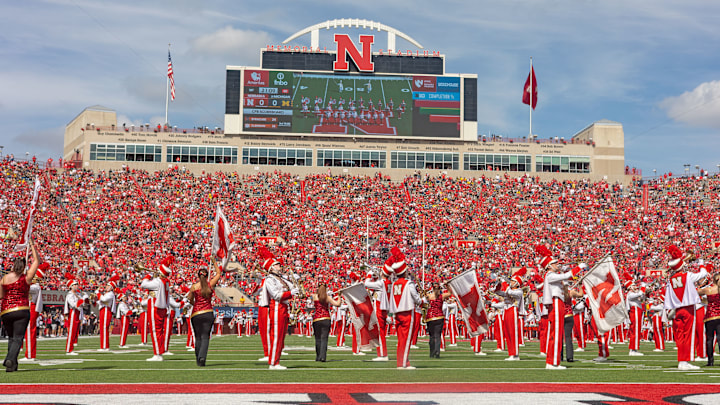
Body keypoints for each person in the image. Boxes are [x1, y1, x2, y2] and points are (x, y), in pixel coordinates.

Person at [537, 244, 584, 370]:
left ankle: (551, 361)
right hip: (556, 304)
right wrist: (578, 268)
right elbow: (565, 276)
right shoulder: (550, 275)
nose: (558, 264)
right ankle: (554, 362)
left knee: (556, 334)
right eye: (555, 263)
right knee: (556, 334)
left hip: (559, 303)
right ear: (549, 266)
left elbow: (564, 280)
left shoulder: (552, 276)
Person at [663, 245, 708, 370]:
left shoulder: (670, 279)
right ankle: (686, 361)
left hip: (677, 310)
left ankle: (681, 361)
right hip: (688, 309)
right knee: (688, 335)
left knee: (680, 337)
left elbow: (668, 297)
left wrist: (669, 311)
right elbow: (703, 273)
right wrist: (701, 263)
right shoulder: (687, 275)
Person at [1, 243, 40, 372]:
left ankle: (12, 366)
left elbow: (1, 295)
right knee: (18, 338)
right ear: (23, 267)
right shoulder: (26, 278)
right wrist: (32, 246)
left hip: (6, 310)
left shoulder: (4, 278)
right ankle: (10, 359)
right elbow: (37, 262)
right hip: (21, 309)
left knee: (11, 338)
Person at [261, 247, 300, 370]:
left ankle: (275, 360)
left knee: (281, 336)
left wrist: (295, 282)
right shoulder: (269, 280)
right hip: (277, 308)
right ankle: (273, 363)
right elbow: (276, 295)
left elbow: (292, 285)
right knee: (276, 336)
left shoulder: (281, 279)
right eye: (277, 265)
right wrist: (291, 292)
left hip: (284, 308)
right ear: (271, 267)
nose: (280, 266)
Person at [388, 247, 421, 369]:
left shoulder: (394, 284)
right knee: (406, 340)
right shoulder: (408, 283)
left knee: (401, 340)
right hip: (407, 313)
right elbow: (416, 298)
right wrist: (422, 302)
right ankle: (404, 363)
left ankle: (400, 362)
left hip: (397, 314)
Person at [187, 261, 222, 367]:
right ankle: (202, 357)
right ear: (207, 276)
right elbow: (219, 273)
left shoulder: (194, 287)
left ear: (198, 276)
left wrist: (195, 304)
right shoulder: (210, 284)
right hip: (208, 312)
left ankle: (198, 358)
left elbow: (190, 299)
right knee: (205, 336)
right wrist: (214, 262)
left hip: (196, 313)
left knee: (197, 337)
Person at [140, 255, 174, 361]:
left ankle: (157, 354)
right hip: (162, 307)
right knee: (159, 331)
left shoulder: (158, 282)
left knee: (155, 331)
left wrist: (148, 275)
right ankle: (160, 351)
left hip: (155, 307)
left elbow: (143, 284)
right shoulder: (166, 282)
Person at [21, 261, 46, 363]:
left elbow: (26, 288)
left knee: (30, 330)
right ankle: (29, 353)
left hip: (32, 307)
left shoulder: (35, 287)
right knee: (27, 331)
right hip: (28, 307)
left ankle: (30, 355)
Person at [312, 282, 341, 362]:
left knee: (317, 339)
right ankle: (323, 357)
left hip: (317, 319)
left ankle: (318, 357)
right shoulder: (328, 297)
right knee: (324, 339)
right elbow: (338, 304)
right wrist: (339, 296)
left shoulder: (314, 296)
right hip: (326, 318)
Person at [698, 272, 720, 366]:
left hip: (710, 316)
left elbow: (696, 291)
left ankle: (710, 361)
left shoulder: (708, 290)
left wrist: (703, 284)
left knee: (709, 339)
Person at [425, 282, 451, 358]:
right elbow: (450, 292)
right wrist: (447, 285)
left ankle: (432, 353)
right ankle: (437, 352)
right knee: (437, 336)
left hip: (430, 318)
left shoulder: (429, 296)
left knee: (432, 336)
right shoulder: (442, 296)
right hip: (439, 317)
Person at [97, 275, 119, 351]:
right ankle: (104, 346)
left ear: (111, 287)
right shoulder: (107, 293)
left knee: (104, 328)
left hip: (106, 310)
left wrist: (98, 293)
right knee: (103, 328)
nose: (106, 287)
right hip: (104, 310)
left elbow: (103, 299)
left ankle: (104, 346)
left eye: (108, 286)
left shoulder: (110, 294)